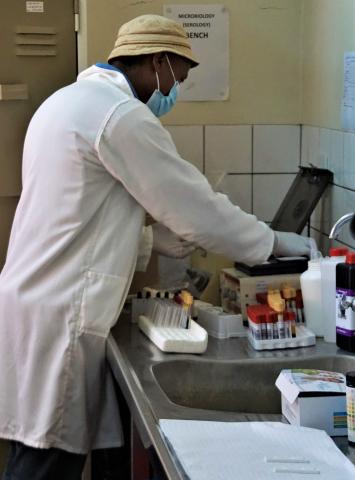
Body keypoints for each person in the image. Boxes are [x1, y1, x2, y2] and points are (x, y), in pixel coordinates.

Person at [0, 13, 312, 480]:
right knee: (45, 463)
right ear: (158, 62)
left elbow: (78, 216)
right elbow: (194, 205)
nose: (174, 92)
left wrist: (151, 243)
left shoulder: (67, 101)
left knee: (43, 454)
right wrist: (270, 243)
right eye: (178, 78)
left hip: (37, 299)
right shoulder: (120, 115)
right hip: (61, 311)